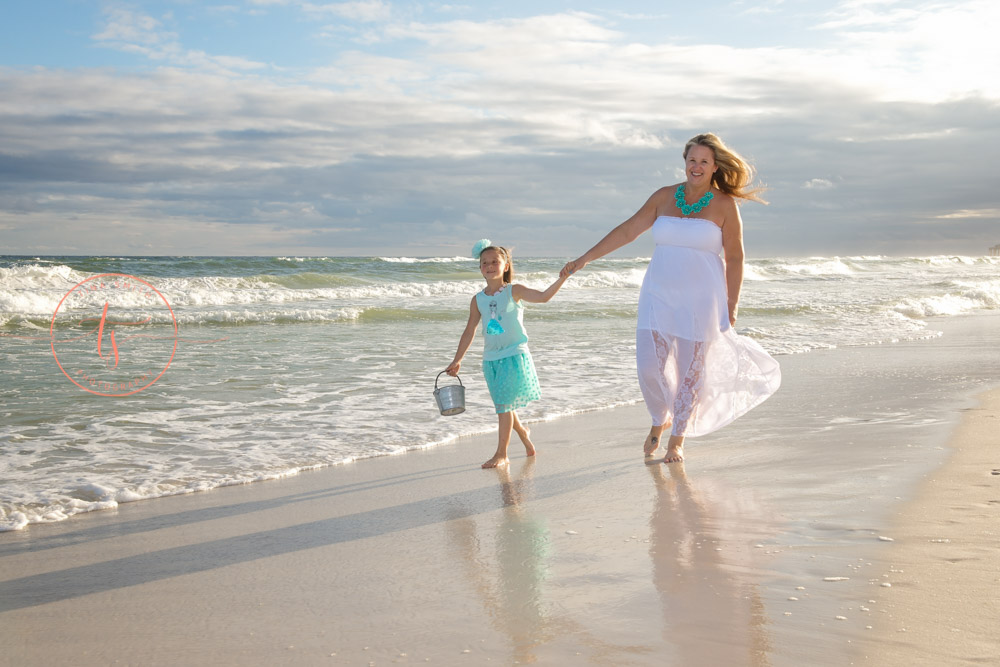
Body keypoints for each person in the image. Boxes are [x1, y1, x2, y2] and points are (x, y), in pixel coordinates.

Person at [561, 133, 781, 464]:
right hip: (658, 294)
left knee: (690, 372)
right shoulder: (664, 197)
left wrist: (731, 303)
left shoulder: (724, 205)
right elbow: (627, 231)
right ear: (685, 162)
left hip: (703, 299)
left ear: (714, 166)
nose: (696, 166)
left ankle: (676, 440)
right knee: (650, 367)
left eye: (704, 161)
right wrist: (585, 258)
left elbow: (735, 257)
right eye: (692, 160)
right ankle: (659, 416)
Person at [446, 240, 569, 469]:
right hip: (491, 360)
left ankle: (502, 454)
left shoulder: (514, 291)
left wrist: (563, 277)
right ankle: (522, 432)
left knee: (503, 406)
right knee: (504, 404)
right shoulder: (478, 299)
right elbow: (470, 330)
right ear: (480, 268)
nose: (490, 265)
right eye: (485, 263)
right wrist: (457, 359)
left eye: (495, 261)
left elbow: (543, 297)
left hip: (514, 355)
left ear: (505, 265)